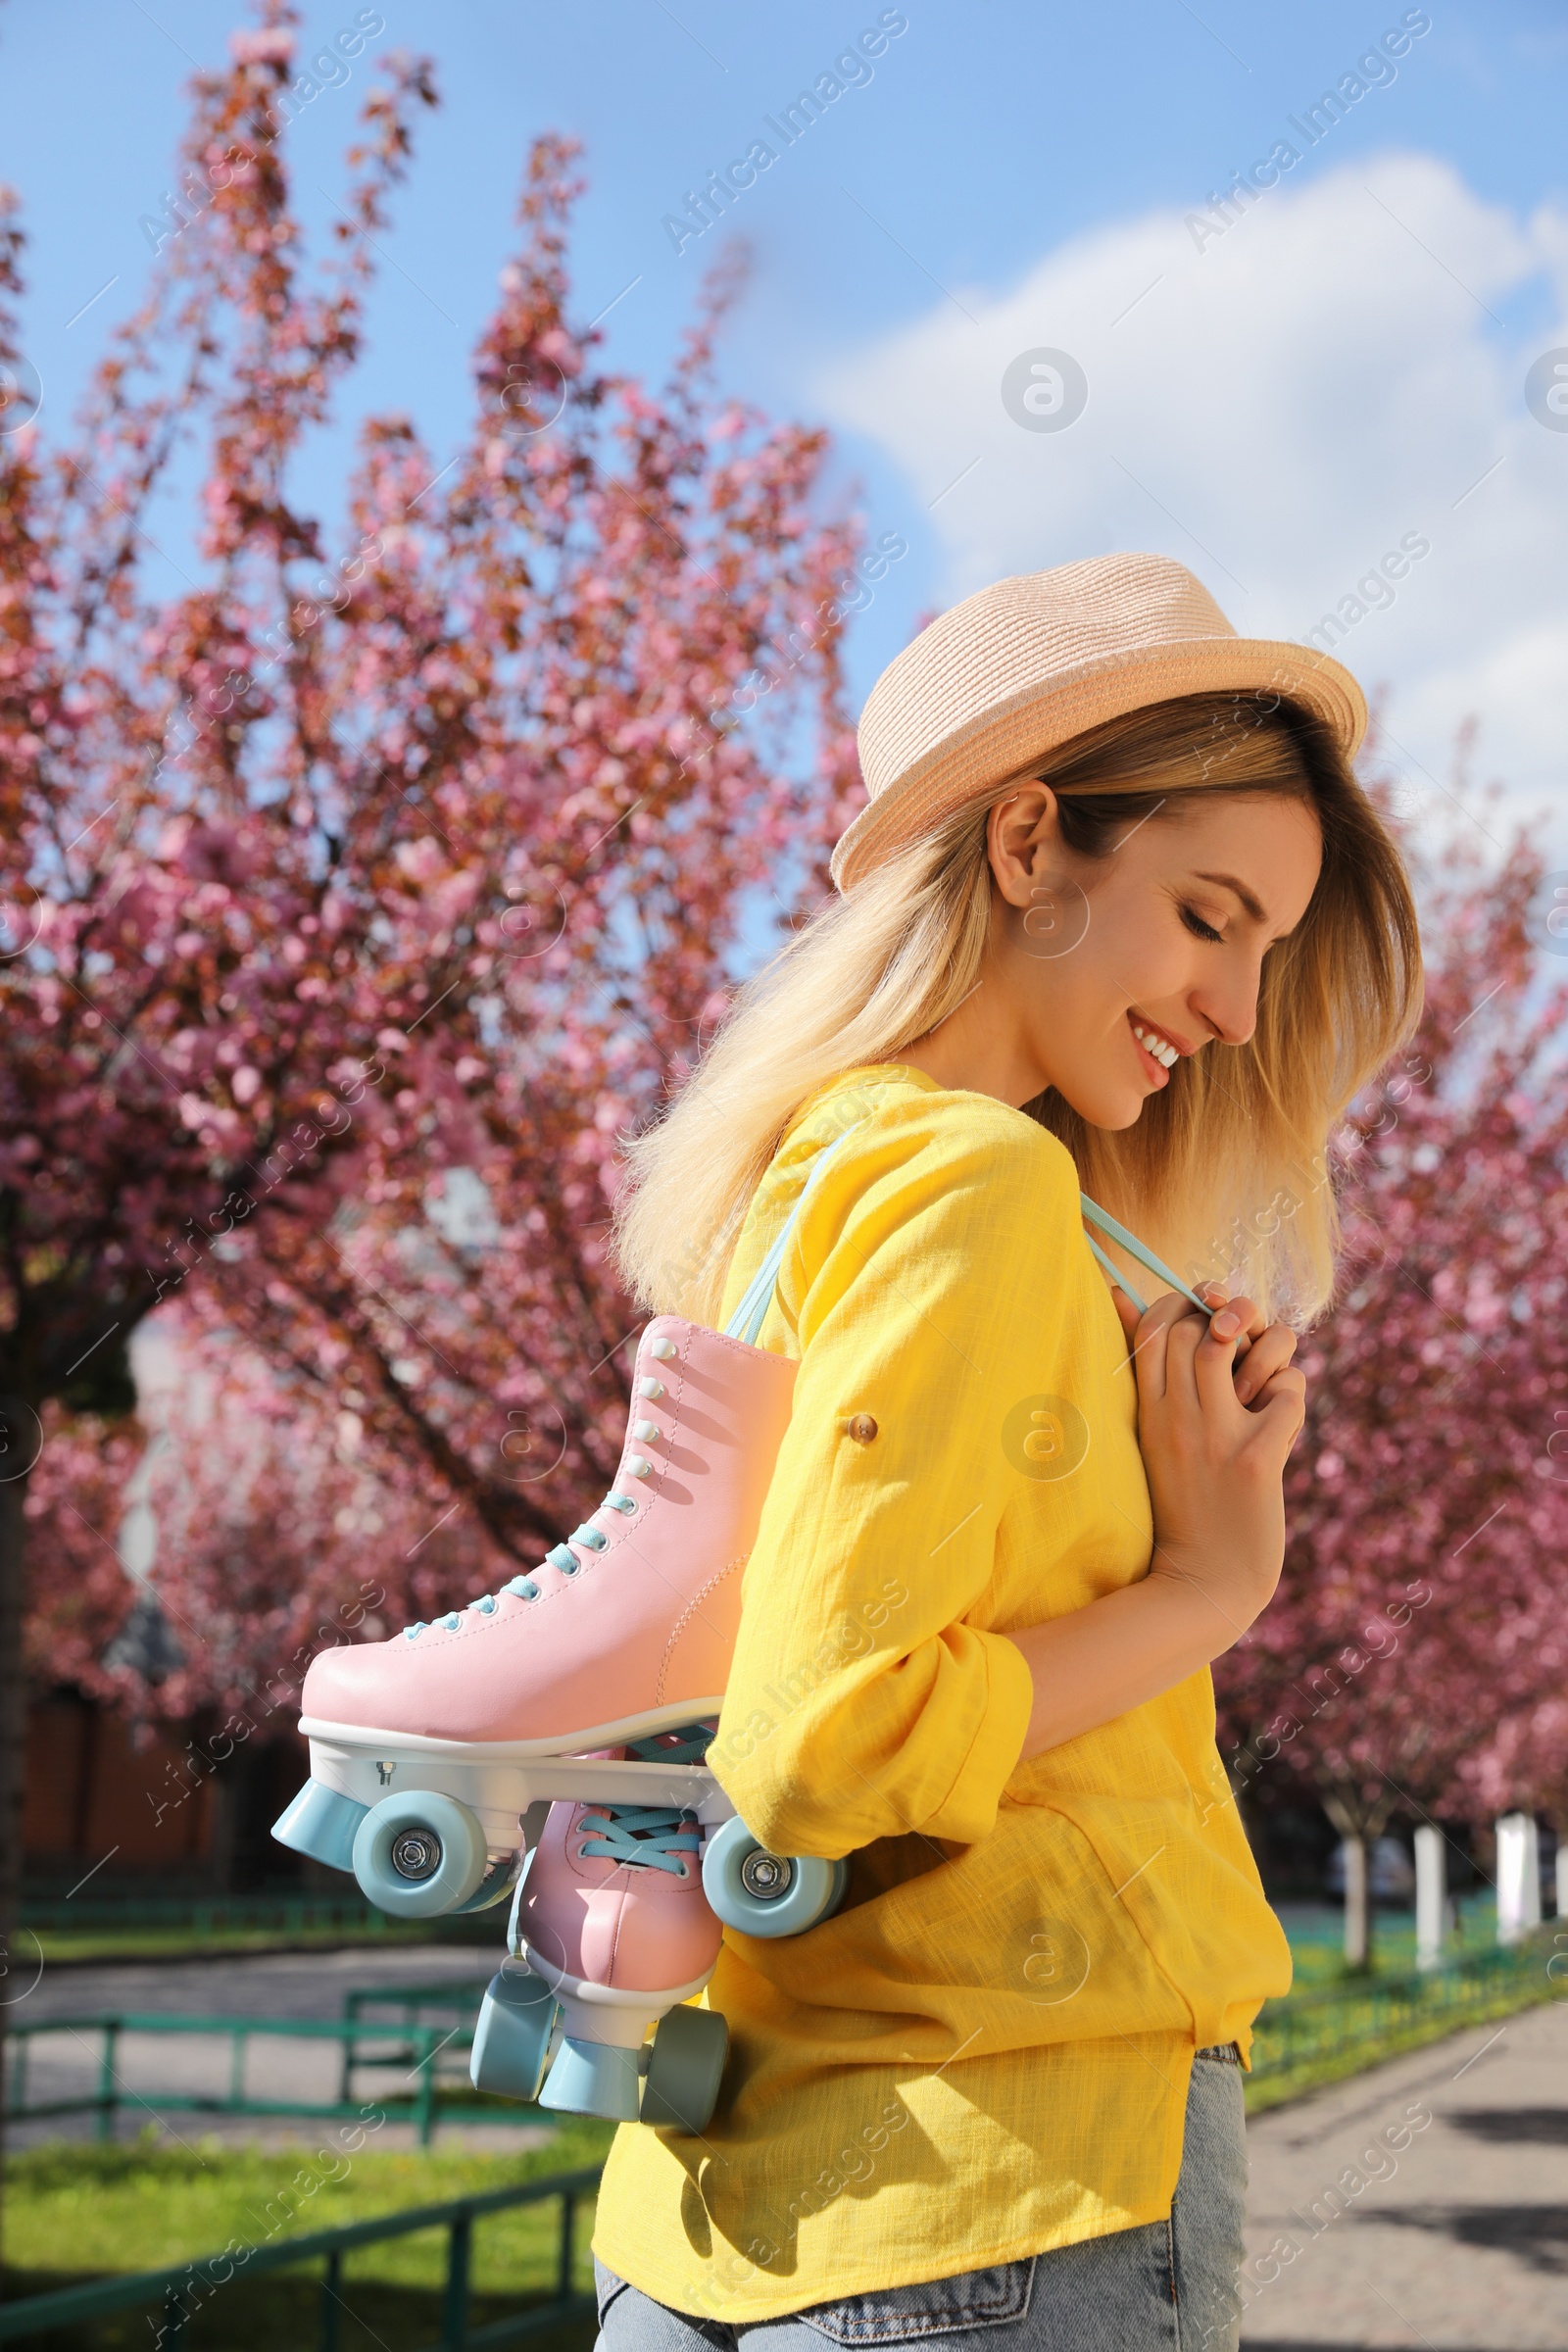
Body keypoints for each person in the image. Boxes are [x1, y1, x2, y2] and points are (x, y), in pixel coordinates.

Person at [593, 553, 1421, 2347]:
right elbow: (832, 1741)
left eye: (1266, 949)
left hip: (715, 2189)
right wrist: (1216, 1576)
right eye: (1211, 919)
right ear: (1033, 841)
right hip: (1004, 2170)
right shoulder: (977, 1180)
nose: (1241, 1014)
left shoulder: (807, 1184)